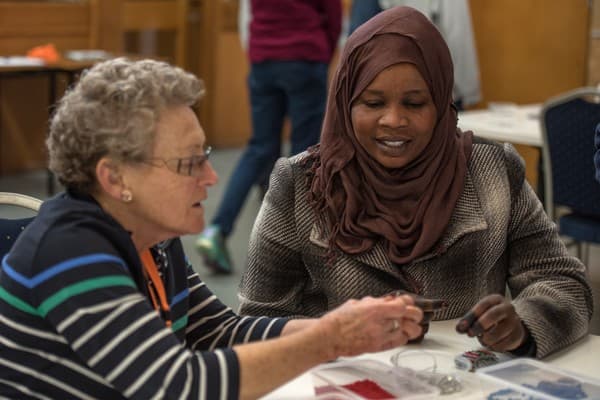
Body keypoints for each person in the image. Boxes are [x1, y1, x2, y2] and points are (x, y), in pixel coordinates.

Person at [0, 58, 425, 399]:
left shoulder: (151, 237)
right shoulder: (68, 251)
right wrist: (329, 340)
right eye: (189, 162)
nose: (211, 176)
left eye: (205, 155)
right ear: (115, 179)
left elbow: (219, 333)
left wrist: (347, 331)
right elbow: (176, 385)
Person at [238, 6, 593, 359]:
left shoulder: (492, 172)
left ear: (441, 103)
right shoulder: (301, 183)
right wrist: (345, 332)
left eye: (415, 103)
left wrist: (524, 325)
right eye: (373, 102)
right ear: (345, 104)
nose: (393, 120)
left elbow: (564, 283)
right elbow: (256, 321)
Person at [195, 0, 342, 274]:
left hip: (264, 61)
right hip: (304, 57)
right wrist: (324, 55)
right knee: (304, 156)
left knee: (259, 148)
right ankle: (293, 250)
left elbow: (247, 12)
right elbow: (333, 15)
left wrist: (257, 52)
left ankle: (216, 230)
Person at [348, 0, 481, 110]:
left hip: (370, 91)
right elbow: (457, 35)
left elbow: (353, 46)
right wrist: (466, 92)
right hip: (424, 89)